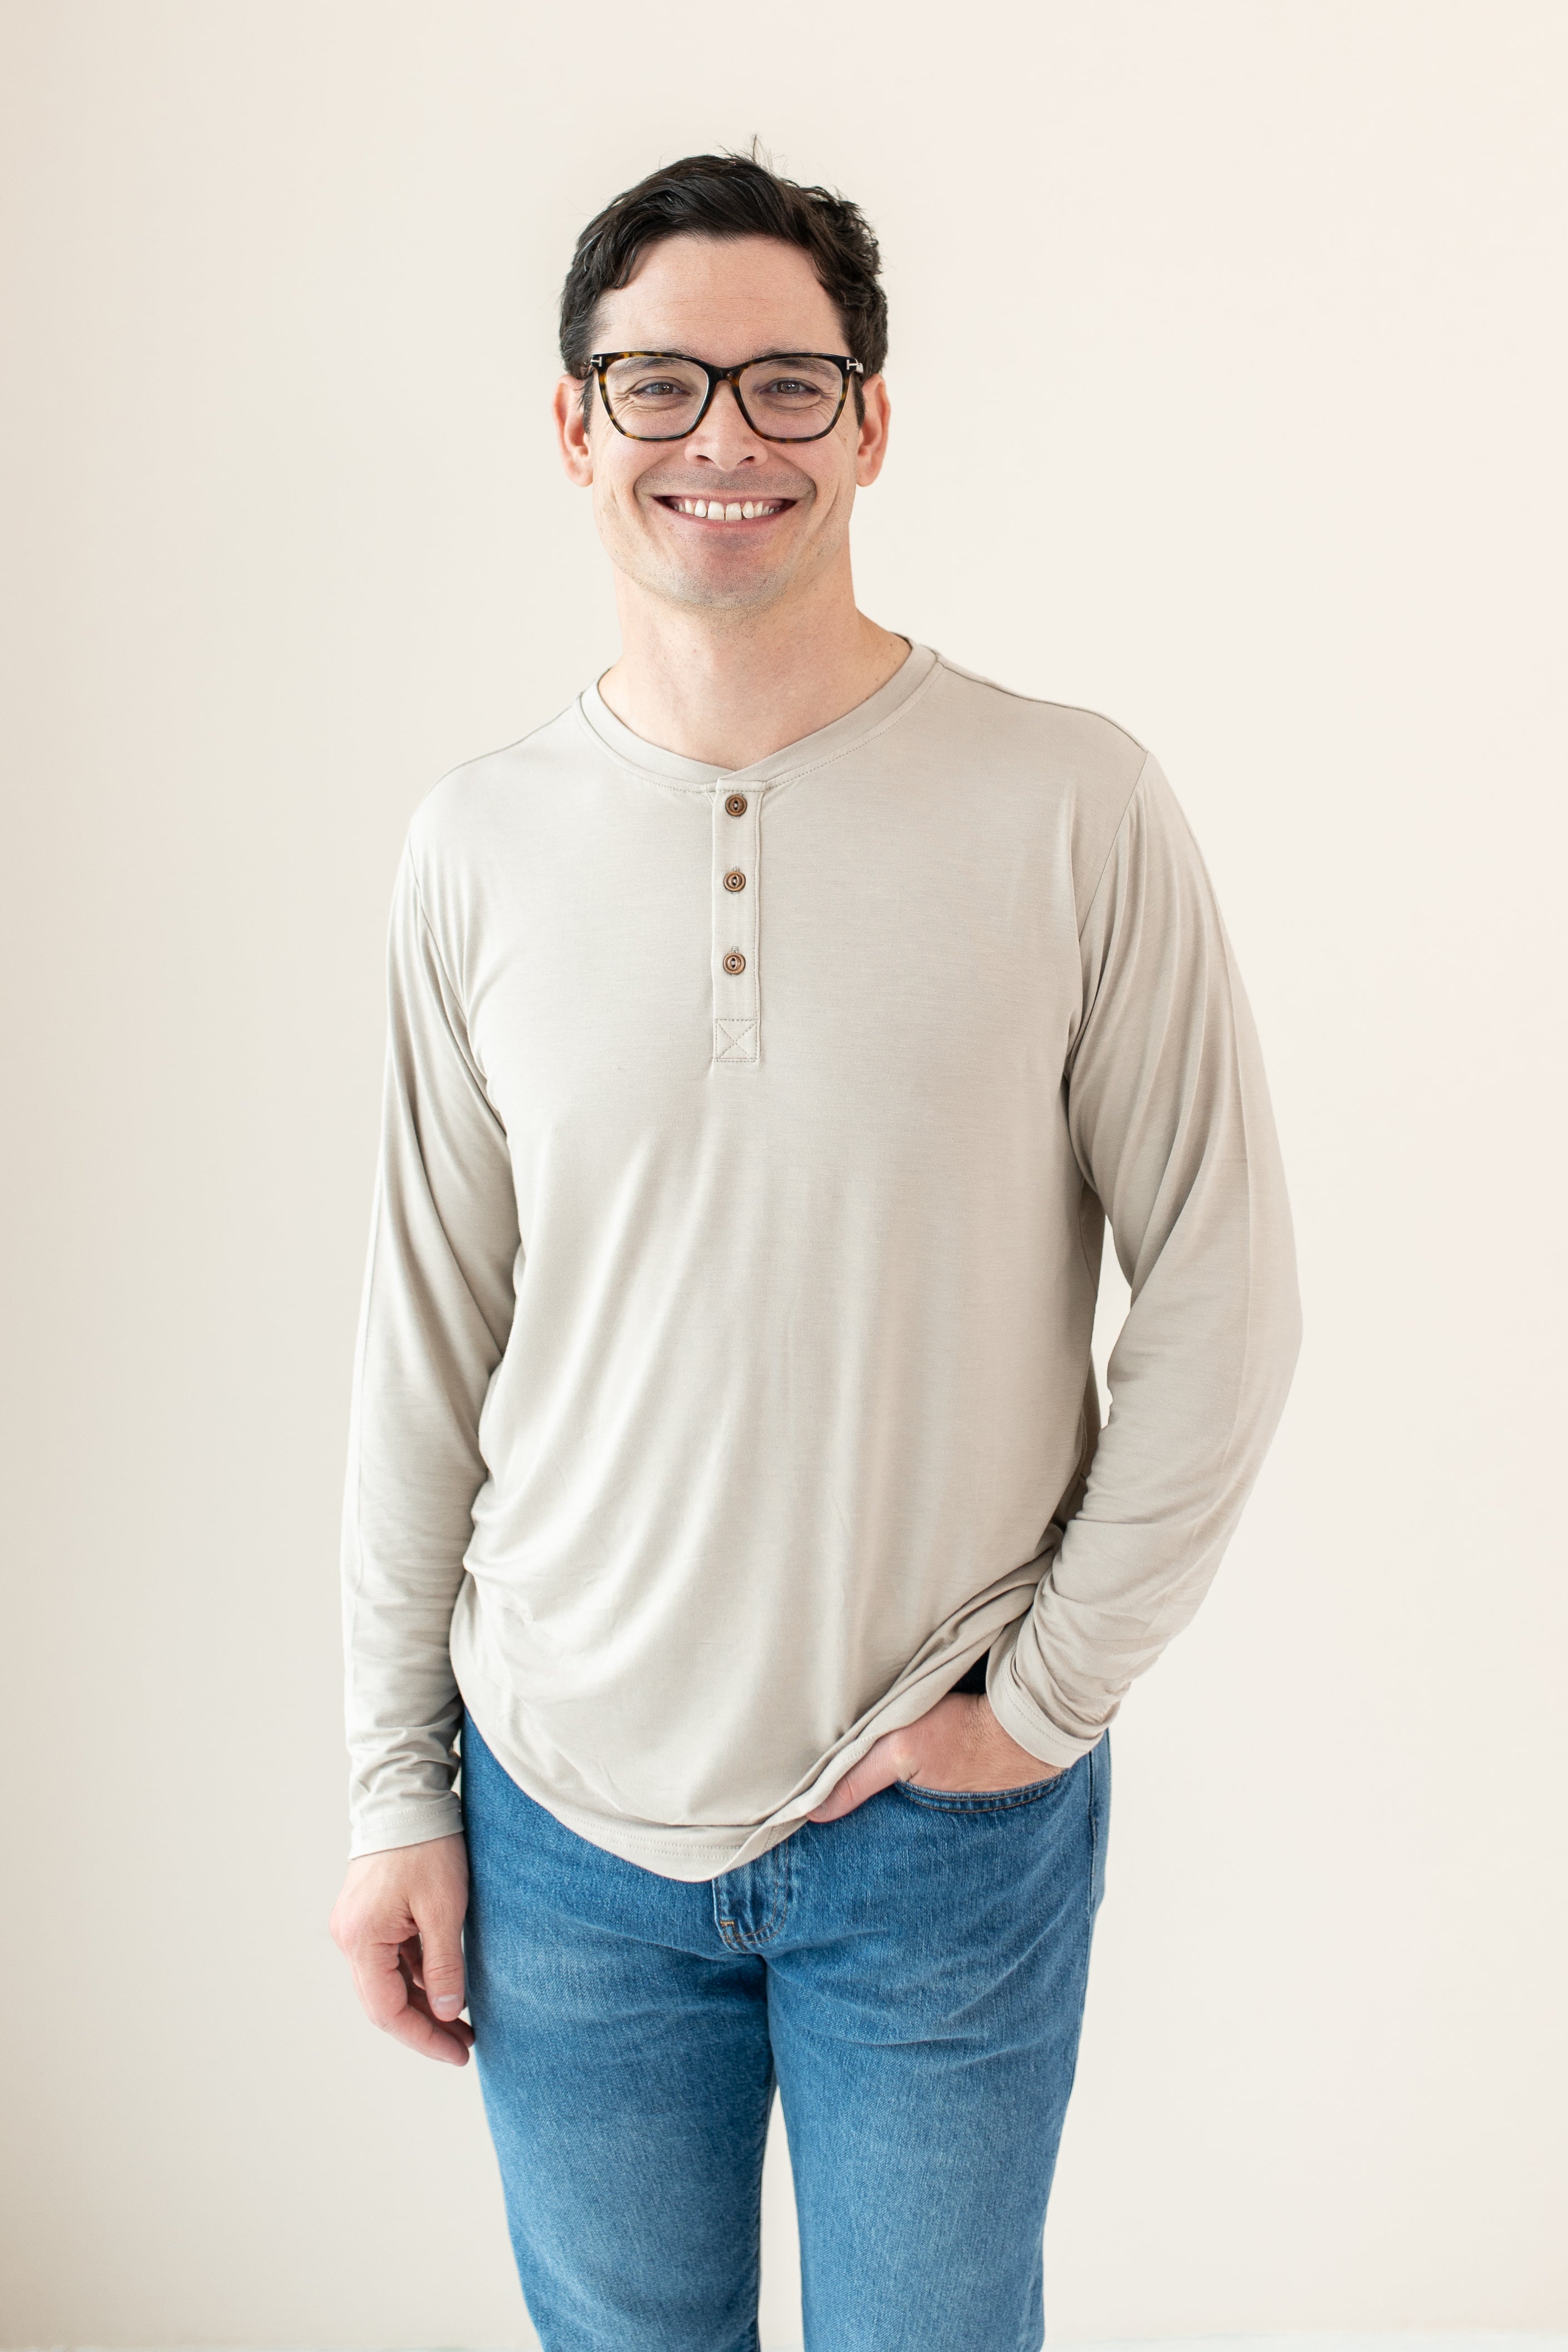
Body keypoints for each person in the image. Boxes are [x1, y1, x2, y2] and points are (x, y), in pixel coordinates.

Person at [329, 149, 1302, 2352]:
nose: (727, 444)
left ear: (874, 419)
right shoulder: (475, 844)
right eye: (661, 385)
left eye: (789, 384)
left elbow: (1228, 1292)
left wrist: (1044, 1699)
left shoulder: (1072, 801)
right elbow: (423, 1347)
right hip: (559, 1809)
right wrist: (399, 1786)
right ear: (575, 425)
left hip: (937, 1819)